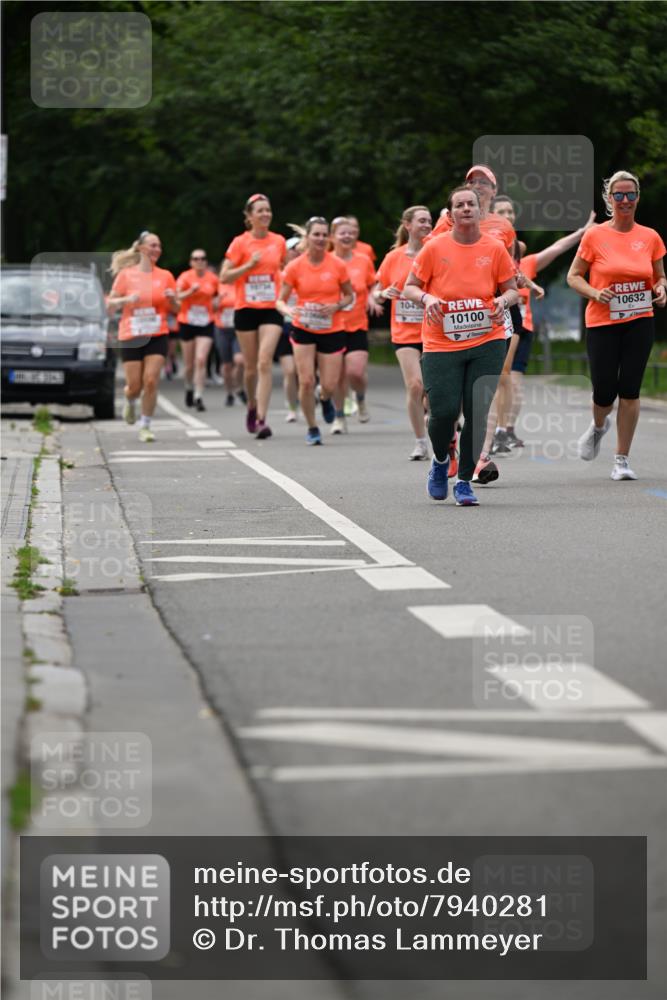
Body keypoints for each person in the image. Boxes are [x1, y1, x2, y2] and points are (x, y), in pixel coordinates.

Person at [403, 187, 519, 506]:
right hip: (442, 342)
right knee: (443, 413)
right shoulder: (434, 247)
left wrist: (501, 301)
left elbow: (512, 291)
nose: (467, 208)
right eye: (460, 205)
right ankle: (441, 462)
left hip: (488, 339)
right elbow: (410, 287)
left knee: (477, 412)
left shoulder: (495, 248)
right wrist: (428, 298)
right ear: (450, 214)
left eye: (472, 204)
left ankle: (465, 481)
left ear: (480, 212)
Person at [567, 170, 666, 480]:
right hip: (602, 322)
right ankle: (598, 426)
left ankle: (621, 459)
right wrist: (596, 293)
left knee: (631, 389)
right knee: (604, 390)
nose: (625, 200)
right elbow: (573, 276)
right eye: (619, 195)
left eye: (631, 195)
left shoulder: (650, 236)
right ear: (609, 199)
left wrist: (662, 288)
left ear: (637, 198)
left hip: (639, 320)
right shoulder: (595, 235)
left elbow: (659, 276)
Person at [493, 196, 596, 451]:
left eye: (510, 210)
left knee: (513, 382)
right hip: (496, 327)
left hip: (521, 327)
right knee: (500, 378)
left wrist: (582, 232)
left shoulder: (525, 264)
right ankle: (495, 430)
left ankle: (505, 431)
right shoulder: (488, 256)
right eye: (501, 211)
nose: (507, 214)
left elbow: (557, 248)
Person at [276, 217, 353, 445]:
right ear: (307, 237)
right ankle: (312, 427)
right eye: (316, 234)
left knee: (329, 384)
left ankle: (326, 398)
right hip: (303, 327)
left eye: (323, 234)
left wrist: (337, 305)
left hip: (332, 328)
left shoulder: (337, 265)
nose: (320, 239)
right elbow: (279, 300)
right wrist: (289, 311)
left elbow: (349, 295)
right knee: (306, 381)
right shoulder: (294, 267)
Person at [220, 193, 287, 439]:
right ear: (249, 216)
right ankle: (251, 405)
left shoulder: (278, 241)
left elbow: (285, 270)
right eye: (260, 211)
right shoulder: (240, 243)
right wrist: (248, 266)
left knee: (264, 361)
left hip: (271, 308)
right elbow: (224, 277)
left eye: (268, 210)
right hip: (246, 309)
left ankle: (261, 418)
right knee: (250, 369)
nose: (265, 214)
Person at [374, 205, 433, 460]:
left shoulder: (436, 252)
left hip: (434, 332)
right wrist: (382, 294)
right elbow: (376, 291)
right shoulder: (393, 258)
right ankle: (420, 442)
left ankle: (436, 423)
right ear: (407, 225)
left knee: (433, 392)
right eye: (421, 221)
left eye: (429, 221)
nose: (427, 225)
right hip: (404, 334)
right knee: (415, 385)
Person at [107, 231, 176, 443]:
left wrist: (173, 300)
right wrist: (127, 298)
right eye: (152, 245)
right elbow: (110, 304)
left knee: (151, 380)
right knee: (134, 386)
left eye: (159, 246)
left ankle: (145, 425)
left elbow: (176, 308)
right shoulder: (126, 275)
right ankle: (130, 401)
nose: (157, 249)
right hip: (131, 334)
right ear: (140, 249)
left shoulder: (166, 276)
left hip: (157, 333)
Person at [330, 217, 378, 430]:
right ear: (333, 236)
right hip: (332, 326)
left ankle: (360, 398)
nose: (347, 236)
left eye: (350, 232)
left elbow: (373, 285)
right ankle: (339, 417)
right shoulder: (326, 261)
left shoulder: (363, 260)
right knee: (337, 377)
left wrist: (371, 297)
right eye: (342, 233)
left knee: (355, 372)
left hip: (357, 323)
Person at [429, 165, 515, 250]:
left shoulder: (504, 225)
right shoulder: (447, 220)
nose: (477, 186)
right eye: (471, 182)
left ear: (494, 190)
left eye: (483, 182)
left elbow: (509, 260)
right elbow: (430, 253)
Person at [175, 249, 218, 412]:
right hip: (187, 322)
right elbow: (177, 297)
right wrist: (190, 292)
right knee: (189, 364)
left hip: (206, 322)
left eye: (203, 259)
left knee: (201, 359)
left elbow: (218, 295)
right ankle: (188, 387)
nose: (200, 261)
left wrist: (216, 302)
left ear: (206, 262)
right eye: (196, 259)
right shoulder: (185, 277)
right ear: (191, 262)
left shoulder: (213, 279)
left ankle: (198, 396)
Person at [275, 235, 302, 422]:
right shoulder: (277, 274)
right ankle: (292, 407)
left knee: (305, 372)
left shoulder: (308, 270)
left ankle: (308, 397)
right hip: (283, 326)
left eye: (300, 249)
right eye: (293, 249)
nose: (297, 252)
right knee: (290, 371)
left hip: (307, 325)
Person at [214, 279, 245, 406]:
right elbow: (211, 306)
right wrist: (218, 300)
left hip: (238, 329)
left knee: (239, 360)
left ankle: (239, 387)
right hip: (222, 329)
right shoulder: (218, 286)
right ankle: (229, 393)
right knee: (226, 365)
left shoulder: (241, 283)